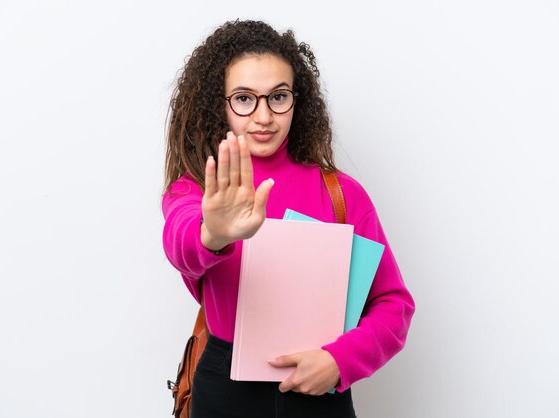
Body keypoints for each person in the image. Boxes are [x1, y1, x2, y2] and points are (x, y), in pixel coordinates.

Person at [162, 20, 415, 417]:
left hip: (319, 387)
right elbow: (181, 244)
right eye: (244, 99)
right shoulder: (198, 187)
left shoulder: (343, 193)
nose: (264, 116)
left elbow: (393, 304)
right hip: (224, 390)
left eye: (278, 97)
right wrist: (213, 232)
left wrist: (339, 362)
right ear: (219, 103)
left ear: (298, 100)